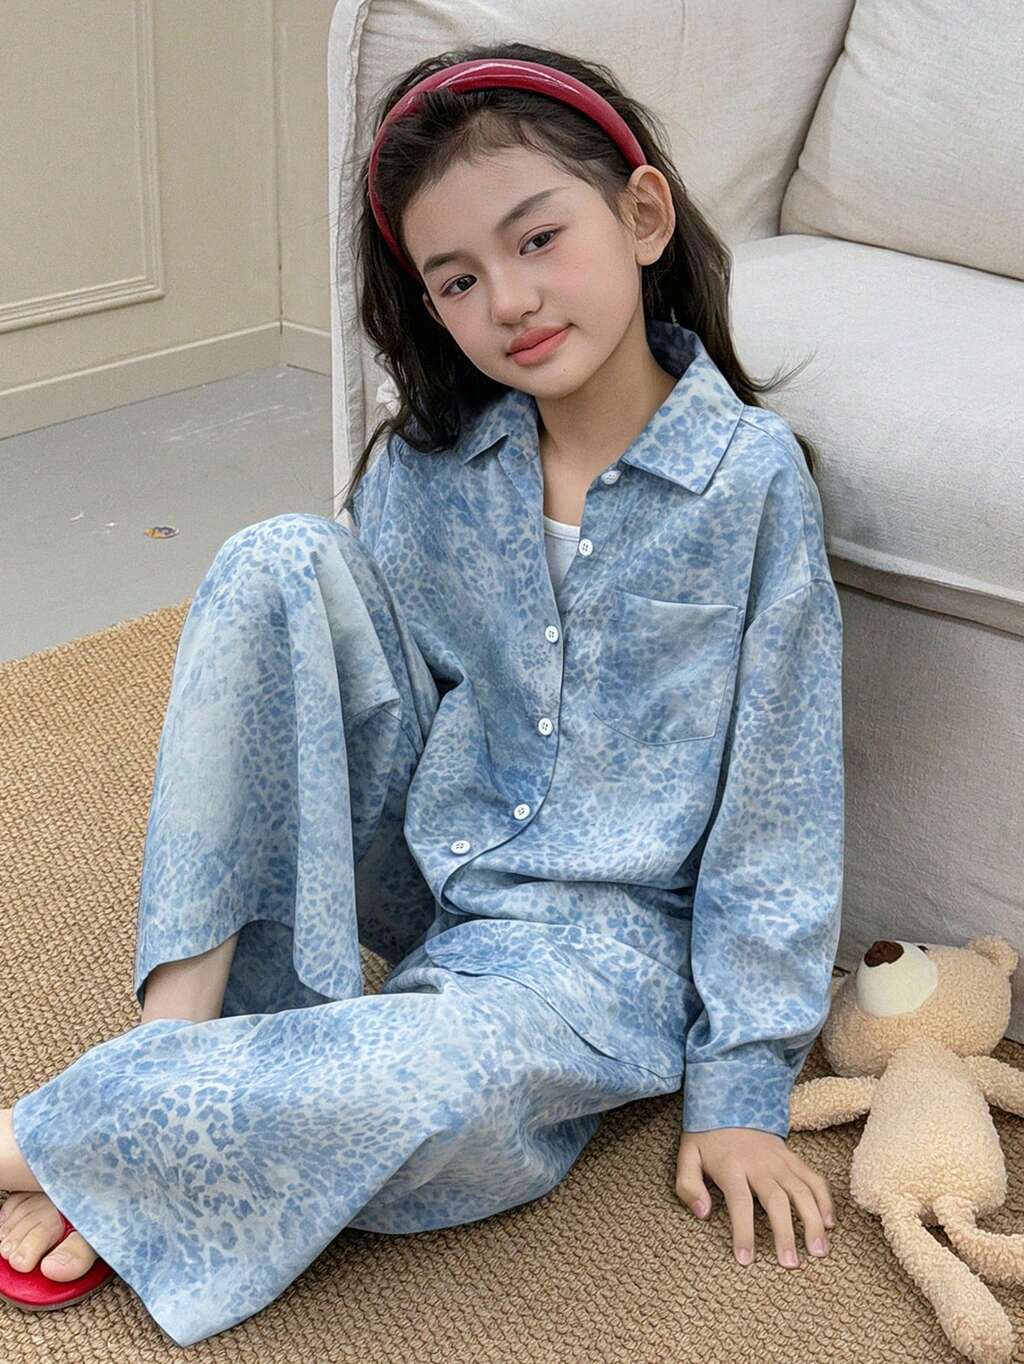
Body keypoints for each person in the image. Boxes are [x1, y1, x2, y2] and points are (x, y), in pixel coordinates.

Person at [0, 40, 843, 1345]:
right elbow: (348, 693)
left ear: (642, 216)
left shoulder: (752, 484)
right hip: (432, 871)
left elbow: (779, 807)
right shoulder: (433, 463)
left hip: (599, 960)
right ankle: (164, 1052)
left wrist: (740, 1089)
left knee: (437, 1085)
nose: (510, 299)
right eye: (457, 278)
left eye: (539, 239)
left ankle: (63, 1142)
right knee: (275, 557)